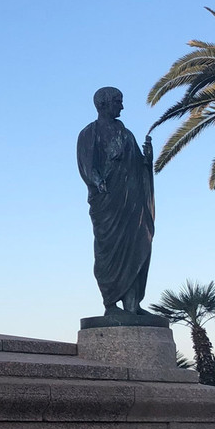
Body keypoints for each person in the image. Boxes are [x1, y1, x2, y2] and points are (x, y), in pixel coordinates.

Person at [76, 87, 156, 316]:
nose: (122, 106)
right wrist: (99, 182)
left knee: (135, 246)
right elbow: (86, 165)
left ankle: (132, 305)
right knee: (109, 252)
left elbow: (137, 165)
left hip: (132, 202)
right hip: (108, 203)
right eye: (118, 101)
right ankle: (110, 304)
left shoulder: (126, 133)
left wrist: (147, 160)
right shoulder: (89, 133)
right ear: (103, 104)